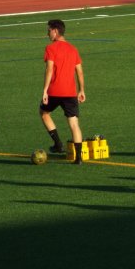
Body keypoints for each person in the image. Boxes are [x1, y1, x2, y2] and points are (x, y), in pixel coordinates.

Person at [39, 19, 86, 164]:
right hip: (70, 93)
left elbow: (49, 70)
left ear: (55, 31)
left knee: (44, 112)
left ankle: (58, 144)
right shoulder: (73, 49)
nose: (47, 33)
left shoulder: (50, 48)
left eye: (49, 30)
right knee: (74, 124)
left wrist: (45, 90)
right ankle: (78, 158)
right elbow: (79, 72)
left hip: (54, 91)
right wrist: (82, 90)